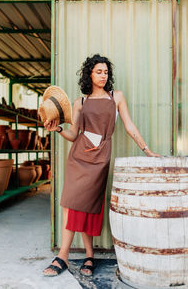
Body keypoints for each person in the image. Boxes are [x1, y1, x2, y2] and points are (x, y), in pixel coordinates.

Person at [43, 54, 159, 277]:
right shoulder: (80, 102)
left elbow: (129, 127)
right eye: (98, 71)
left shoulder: (116, 97)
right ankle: (68, 255)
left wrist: (147, 150)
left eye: (106, 72)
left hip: (99, 160)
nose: (103, 75)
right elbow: (73, 134)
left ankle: (82, 256)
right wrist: (57, 129)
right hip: (78, 158)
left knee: (88, 206)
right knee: (70, 204)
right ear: (89, 74)